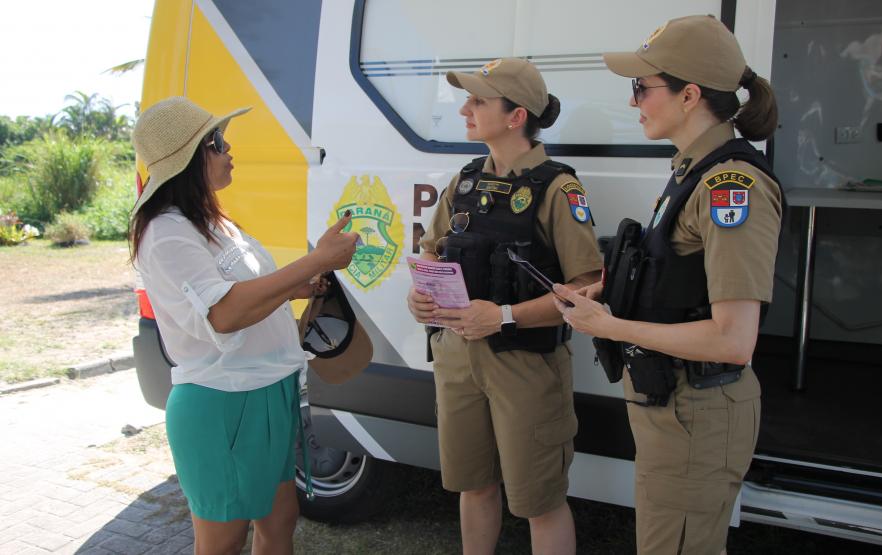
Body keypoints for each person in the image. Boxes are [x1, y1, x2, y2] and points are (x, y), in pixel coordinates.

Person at [552, 15, 782, 555]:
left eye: (642, 87)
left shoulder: (732, 185)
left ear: (689, 96)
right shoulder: (692, 169)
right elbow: (676, 284)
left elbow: (733, 339)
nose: (634, 102)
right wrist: (605, 296)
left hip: (696, 413)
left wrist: (610, 326)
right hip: (676, 408)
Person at [129, 96, 358, 555]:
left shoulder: (213, 220)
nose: (228, 147)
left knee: (281, 522)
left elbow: (240, 289)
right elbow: (224, 313)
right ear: (189, 160)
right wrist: (315, 260)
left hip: (265, 391)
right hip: (223, 403)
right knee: (223, 542)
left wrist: (297, 287)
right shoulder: (168, 232)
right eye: (216, 141)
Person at [407, 58, 602, 555]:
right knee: (474, 484)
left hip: (526, 365)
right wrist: (421, 295)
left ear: (517, 117)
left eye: (478, 101)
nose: (465, 109)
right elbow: (432, 250)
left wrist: (505, 315)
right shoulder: (465, 182)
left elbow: (587, 287)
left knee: (540, 503)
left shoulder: (558, 188)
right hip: (458, 359)